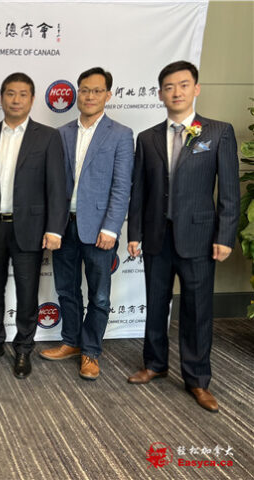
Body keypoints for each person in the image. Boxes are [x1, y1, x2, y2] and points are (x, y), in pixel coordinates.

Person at [126, 61, 239, 412]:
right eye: (169, 87)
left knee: (197, 310)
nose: (176, 92)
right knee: (156, 304)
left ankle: (197, 379)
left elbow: (229, 191)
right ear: (160, 94)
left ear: (196, 89)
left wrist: (225, 235)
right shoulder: (147, 138)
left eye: (183, 85)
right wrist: (134, 233)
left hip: (200, 239)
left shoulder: (218, 133)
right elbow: (139, 191)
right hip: (157, 237)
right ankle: (154, 364)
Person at [39, 67, 134, 381]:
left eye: (97, 90)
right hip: (64, 227)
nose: (90, 96)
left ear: (108, 95)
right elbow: (54, 186)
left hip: (99, 230)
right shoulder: (61, 133)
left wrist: (111, 228)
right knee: (66, 289)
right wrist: (52, 226)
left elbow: (122, 185)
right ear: (77, 93)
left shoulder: (120, 134)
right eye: (84, 90)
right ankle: (71, 341)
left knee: (100, 296)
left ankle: (91, 351)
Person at [0, 73, 66, 378]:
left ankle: (24, 348)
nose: (16, 100)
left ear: (32, 99)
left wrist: (54, 228)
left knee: (27, 292)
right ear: (2, 97)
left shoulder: (48, 137)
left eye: (23, 94)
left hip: (30, 228)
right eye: (10, 93)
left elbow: (57, 186)